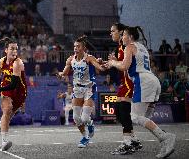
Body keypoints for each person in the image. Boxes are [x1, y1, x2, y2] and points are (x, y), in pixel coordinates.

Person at [106, 26, 176, 158]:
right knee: (144, 118)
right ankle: (155, 139)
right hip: (153, 81)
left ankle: (166, 138)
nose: (123, 37)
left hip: (143, 81)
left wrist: (113, 62)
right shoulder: (142, 47)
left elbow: (124, 66)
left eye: (124, 35)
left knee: (135, 117)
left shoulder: (129, 47)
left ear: (130, 36)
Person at [57, 36, 105, 148]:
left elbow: (100, 69)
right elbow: (64, 73)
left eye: (78, 46)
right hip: (77, 89)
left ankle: (90, 123)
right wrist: (60, 75)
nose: (75, 48)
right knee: (76, 118)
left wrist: (102, 63)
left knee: (84, 118)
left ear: (83, 48)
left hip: (89, 88)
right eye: (74, 46)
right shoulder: (70, 59)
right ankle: (85, 137)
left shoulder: (89, 58)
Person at [108, 23, 142, 155]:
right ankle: (133, 140)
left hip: (130, 82)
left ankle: (128, 143)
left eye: (113, 31)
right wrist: (112, 62)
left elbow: (125, 65)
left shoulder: (126, 45)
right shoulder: (120, 47)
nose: (111, 33)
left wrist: (114, 62)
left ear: (122, 32)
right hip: (125, 82)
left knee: (123, 111)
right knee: (119, 111)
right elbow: (120, 63)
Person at [0, 37, 27, 151]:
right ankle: (4, 141)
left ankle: (0, 125)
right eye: (12, 49)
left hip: (20, 91)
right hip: (6, 89)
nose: (14, 51)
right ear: (6, 50)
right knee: (7, 110)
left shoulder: (18, 63)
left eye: (16, 49)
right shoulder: (1, 61)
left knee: (9, 115)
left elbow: (14, 85)